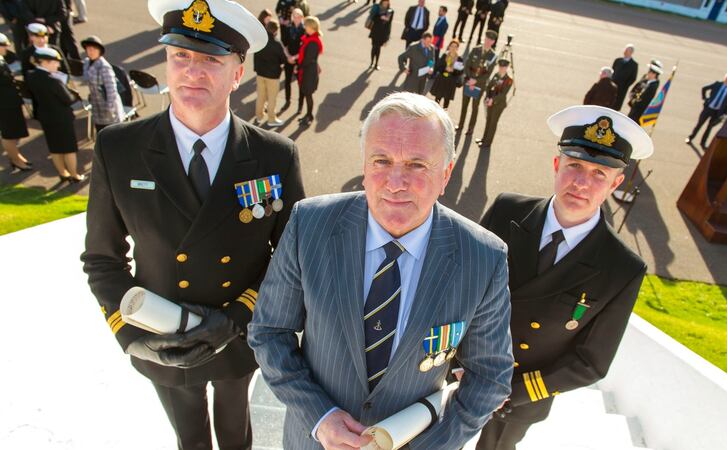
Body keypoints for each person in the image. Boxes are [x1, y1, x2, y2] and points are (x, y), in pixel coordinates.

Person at [80, 1, 306, 449]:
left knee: (235, 432)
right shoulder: (119, 148)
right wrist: (130, 334)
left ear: (237, 73)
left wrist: (237, 318)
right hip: (161, 334)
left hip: (237, 335)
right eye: (180, 55)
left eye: (211, 59)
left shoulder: (274, 156)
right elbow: (102, 259)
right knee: (190, 439)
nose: (192, 71)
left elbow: (292, 258)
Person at [248, 91, 513, 450]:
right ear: (364, 166)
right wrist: (320, 417)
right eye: (381, 161)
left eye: (417, 165)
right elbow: (269, 332)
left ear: (446, 174)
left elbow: (490, 377)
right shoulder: (309, 225)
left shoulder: (483, 257)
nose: (395, 182)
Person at [476, 105, 651, 450]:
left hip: (520, 396)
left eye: (599, 173)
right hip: (463, 367)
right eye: (575, 166)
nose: (582, 183)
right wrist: (455, 357)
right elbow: (459, 289)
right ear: (557, 164)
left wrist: (513, 391)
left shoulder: (622, 268)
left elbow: (592, 362)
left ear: (616, 183)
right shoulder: (506, 211)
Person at [26, 46, 83, 182]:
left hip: (45, 117)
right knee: (69, 148)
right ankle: (74, 175)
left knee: (55, 147)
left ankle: (63, 173)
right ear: (45, 62)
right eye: (55, 62)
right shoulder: (54, 81)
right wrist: (71, 91)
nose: (58, 65)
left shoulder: (31, 76)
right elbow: (68, 99)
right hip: (62, 119)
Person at [0, 32, 31, 171]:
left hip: (10, 102)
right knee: (8, 135)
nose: (6, 48)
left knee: (12, 134)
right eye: (3, 46)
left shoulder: (2, 58)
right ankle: (15, 160)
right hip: (4, 105)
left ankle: (17, 157)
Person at [457, 29, 497, 135]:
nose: (488, 41)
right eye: (487, 39)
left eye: (490, 40)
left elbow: (488, 74)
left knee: (475, 107)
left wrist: (475, 81)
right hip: (468, 81)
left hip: (479, 85)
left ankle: (471, 128)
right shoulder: (476, 49)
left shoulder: (493, 56)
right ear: (485, 38)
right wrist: (469, 79)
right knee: (464, 105)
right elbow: (467, 64)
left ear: (493, 42)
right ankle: (460, 124)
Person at [81, 35, 125, 133]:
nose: (91, 52)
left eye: (94, 49)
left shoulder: (104, 67)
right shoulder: (87, 62)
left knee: (112, 135)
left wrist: (109, 109)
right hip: (97, 107)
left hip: (109, 111)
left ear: (99, 51)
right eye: (88, 49)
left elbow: (111, 91)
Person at [686, 71, 727, 149]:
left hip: (718, 112)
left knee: (709, 128)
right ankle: (690, 138)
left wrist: (725, 114)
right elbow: (704, 88)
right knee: (699, 124)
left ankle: (703, 143)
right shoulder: (717, 84)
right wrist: (705, 99)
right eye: (726, 77)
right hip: (709, 108)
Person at [254, 19, 288, 127]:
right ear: (276, 30)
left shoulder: (261, 41)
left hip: (260, 73)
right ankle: (271, 119)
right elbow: (283, 59)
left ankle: (259, 116)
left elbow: (256, 56)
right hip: (273, 75)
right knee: (272, 98)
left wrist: (257, 69)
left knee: (260, 96)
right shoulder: (277, 44)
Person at [475, 56, 512, 148]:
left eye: (503, 67)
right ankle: (484, 139)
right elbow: (488, 87)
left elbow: (503, 94)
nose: (501, 69)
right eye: (500, 66)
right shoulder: (496, 75)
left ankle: (487, 143)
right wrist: (488, 97)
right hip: (490, 102)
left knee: (493, 123)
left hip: (498, 104)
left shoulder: (509, 80)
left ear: (507, 68)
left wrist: (492, 100)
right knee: (488, 120)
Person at [297, 15, 322, 125]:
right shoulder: (310, 38)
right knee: (307, 94)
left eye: (306, 25)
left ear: (312, 27)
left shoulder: (313, 42)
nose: (304, 27)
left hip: (309, 72)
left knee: (308, 95)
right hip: (308, 70)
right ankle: (308, 114)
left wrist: (298, 67)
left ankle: (309, 116)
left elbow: (307, 60)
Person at [280, 7, 304, 113]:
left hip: (299, 60)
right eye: (294, 16)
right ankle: (287, 100)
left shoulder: (304, 30)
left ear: (302, 17)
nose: (296, 19)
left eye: (298, 16)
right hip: (289, 58)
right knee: (287, 81)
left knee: (300, 83)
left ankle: (300, 105)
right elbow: (284, 44)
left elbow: (304, 48)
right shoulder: (288, 28)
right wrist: (288, 56)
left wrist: (295, 57)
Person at [430, 38, 463, 109]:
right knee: (437, 99)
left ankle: (444, 113)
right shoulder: (444, 55)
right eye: (452, 46)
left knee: (446, 101)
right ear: (449, 47)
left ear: (457, 48)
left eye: (455, 46)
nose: (453, 48)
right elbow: (438, 67)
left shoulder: (459, 59)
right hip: (442, 79)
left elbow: (460, 72)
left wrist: (453, 70)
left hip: (451, 81)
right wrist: (445, 68)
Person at [627, 59, 661, 124]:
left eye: (650, 72)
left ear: (654, 74)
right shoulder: (646, 80)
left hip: (639, 110)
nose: (648, 73)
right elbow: (638, 86)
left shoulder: (653, 86)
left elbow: (645, 99)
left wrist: (635, 101)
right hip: (634, 107)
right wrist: (632, 95)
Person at [611, 44, 637, 111]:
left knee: (616, 105)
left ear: (631, 52)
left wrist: (624, 86)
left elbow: (633, 78)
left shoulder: (634, 65)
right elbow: (612, 71)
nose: (625, 52)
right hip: (612, 86)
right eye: (625, 50)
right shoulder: (617, 60)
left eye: (627, 51)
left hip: (621, 89)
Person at [367, 0, 393, 70]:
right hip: (375, 31)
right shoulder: (377, 8)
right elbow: (373, 18)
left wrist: (388, 35)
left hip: (383, 33)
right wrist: (380, 17)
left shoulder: (390, 11)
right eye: (384, 2)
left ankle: (376, 63)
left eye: (387, 2)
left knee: (378, 48)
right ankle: (372, 63)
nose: (385, 3)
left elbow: (389, 24)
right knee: (374, 47)